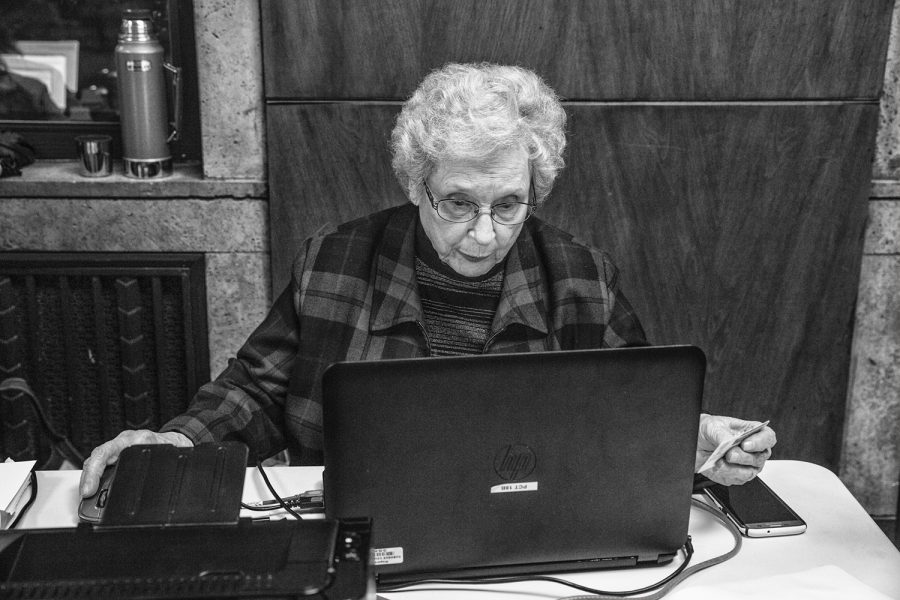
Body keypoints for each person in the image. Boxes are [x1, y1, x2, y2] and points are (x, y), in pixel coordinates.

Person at [80, 62, 775, 497]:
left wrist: (696, 439)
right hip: (366, 540)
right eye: (458, 203)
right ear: (417, 186)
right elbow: (257, 394)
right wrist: (179, 445)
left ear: (537, 188)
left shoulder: (583, 278)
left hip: (529, 544)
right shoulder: (335, 259)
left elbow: (635, 413)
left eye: (508, 205)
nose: (483, 234)